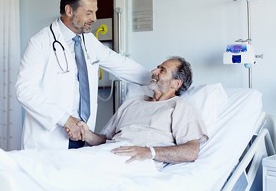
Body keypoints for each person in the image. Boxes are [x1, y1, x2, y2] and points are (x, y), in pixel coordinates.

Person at [16, 0, 150, 150]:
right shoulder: (40, 43)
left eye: (95, 12)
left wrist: (155, 79)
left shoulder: (88, 40)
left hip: (83, 135)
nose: (94, 18)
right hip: (50, 139)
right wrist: (65, 119)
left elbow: (120, 64)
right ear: (69, 10)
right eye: (88, 13)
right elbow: (24, 90)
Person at [73, 56, 208, 165]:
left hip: (135, 161)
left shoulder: (180, 107)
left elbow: (191, 151)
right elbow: (104, 140)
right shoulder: (133, 102)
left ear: (176, 84)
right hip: (106, 153)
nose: (154, 72)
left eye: (162, 70)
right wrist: (87, 134)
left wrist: (149, 152)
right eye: (157, 67)